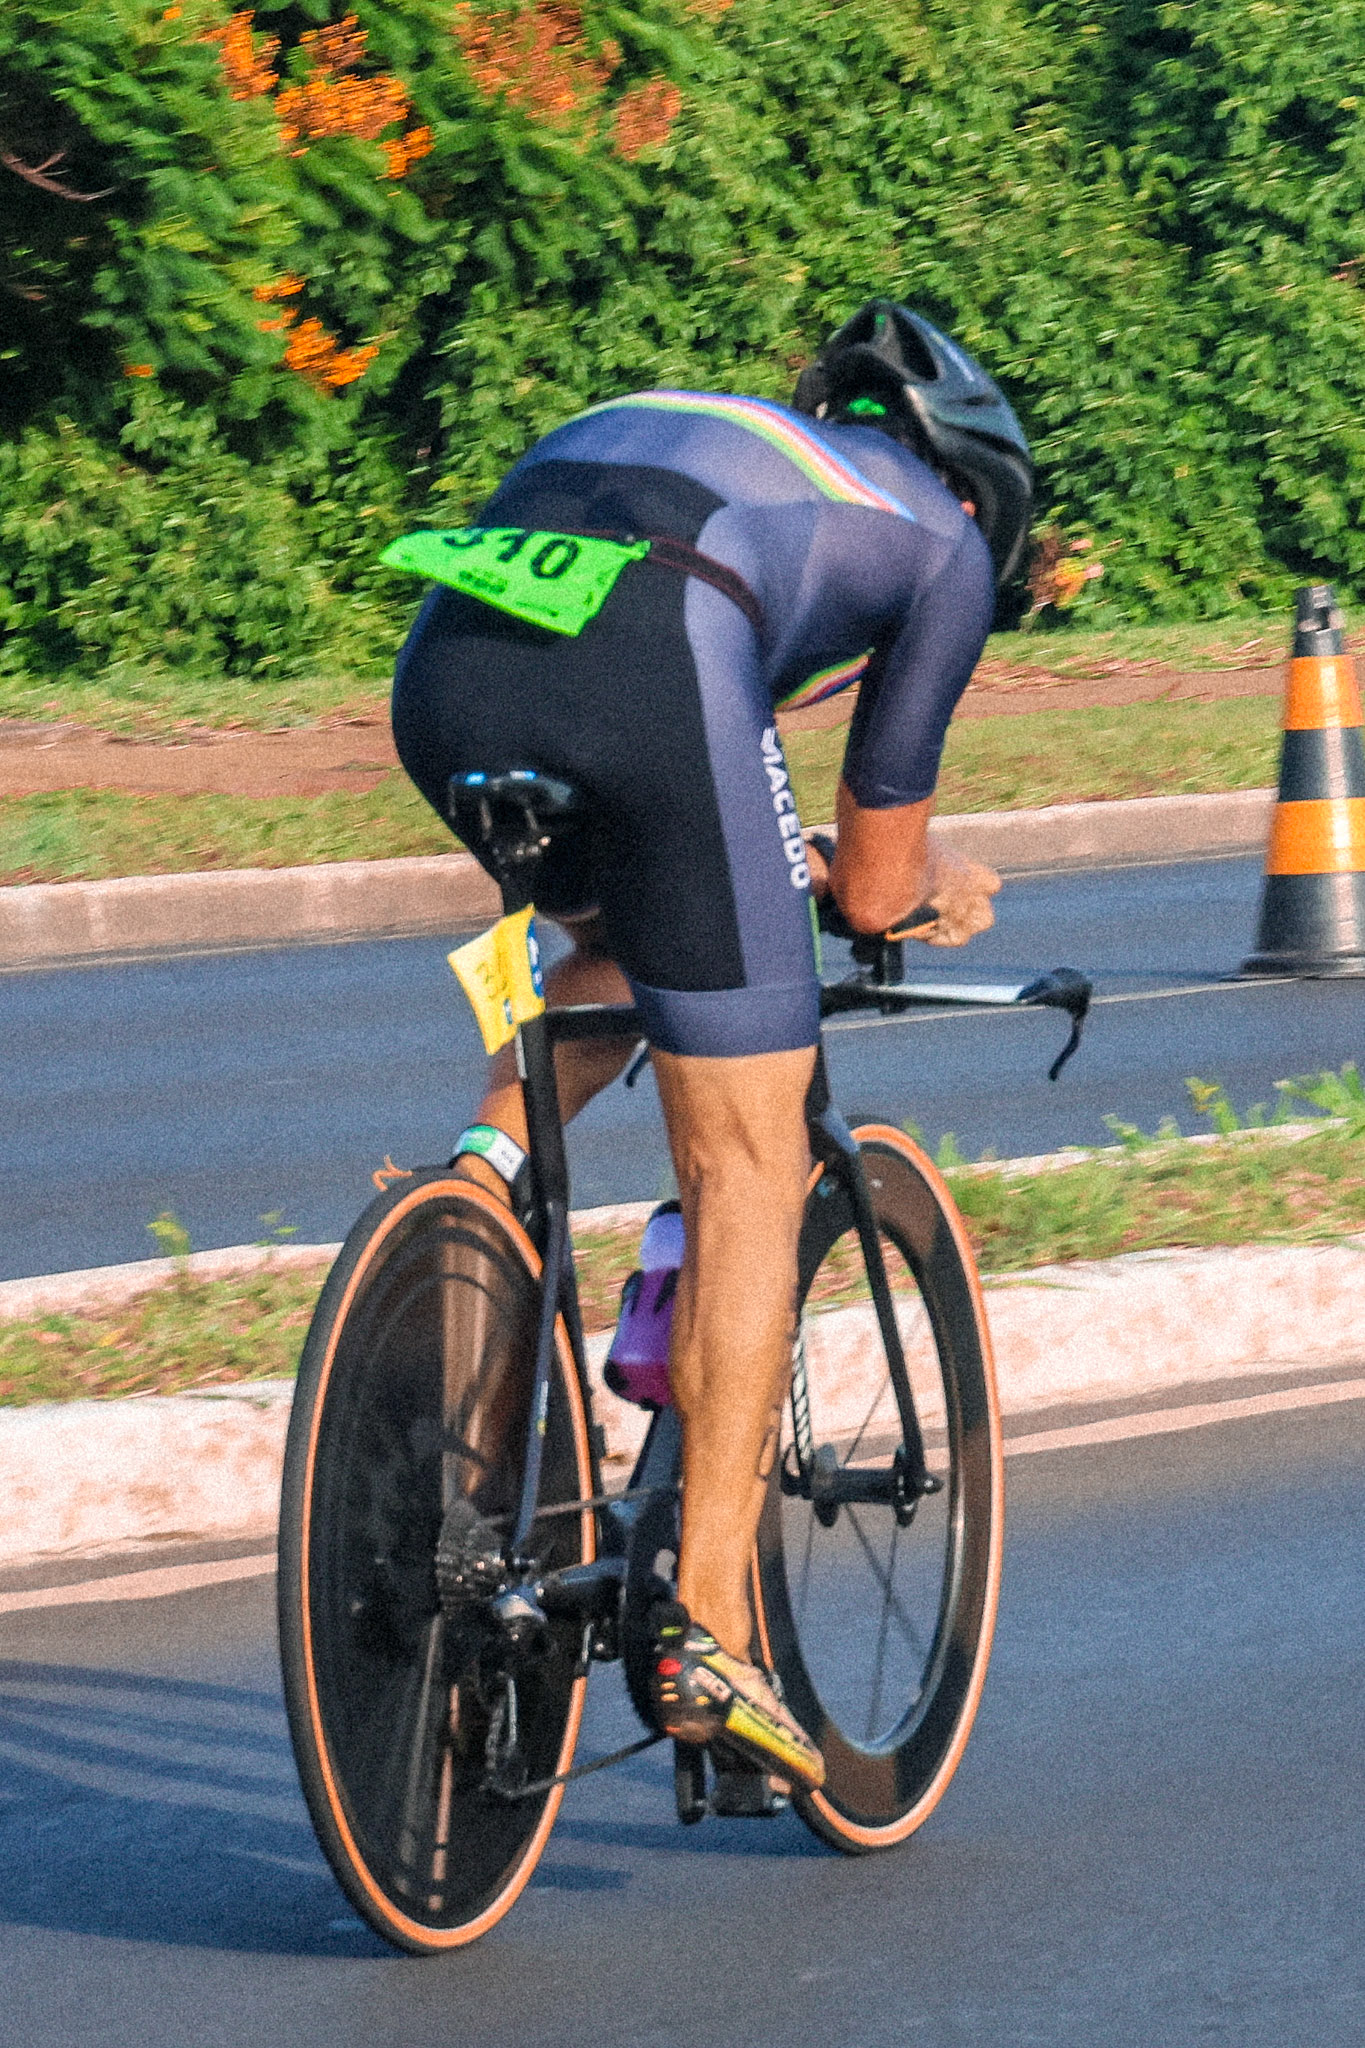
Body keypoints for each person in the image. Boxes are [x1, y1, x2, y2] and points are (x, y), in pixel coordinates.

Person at [390, 298, 1033, 1791]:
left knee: (632, 940)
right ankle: (713, 1629)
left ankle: (470, 1191)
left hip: (447, 669)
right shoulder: (940, 546)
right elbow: (874, 883)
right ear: (975, 494)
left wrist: (758, 846)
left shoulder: (734, 437)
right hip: (657, 655)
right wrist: (926, 881)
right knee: (746, 1162)